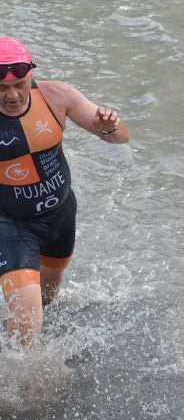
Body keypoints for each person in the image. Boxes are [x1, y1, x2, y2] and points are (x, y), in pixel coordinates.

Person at [0, 37, 129, 349]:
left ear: (30, 74)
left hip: (60, 215)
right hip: (11, 224)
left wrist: (108, 126)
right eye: (2, 89)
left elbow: (119, 138)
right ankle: (22, 392)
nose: (13, 95)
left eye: (19, 84)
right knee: (26, 325)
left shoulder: (56, 95)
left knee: (48, 299)